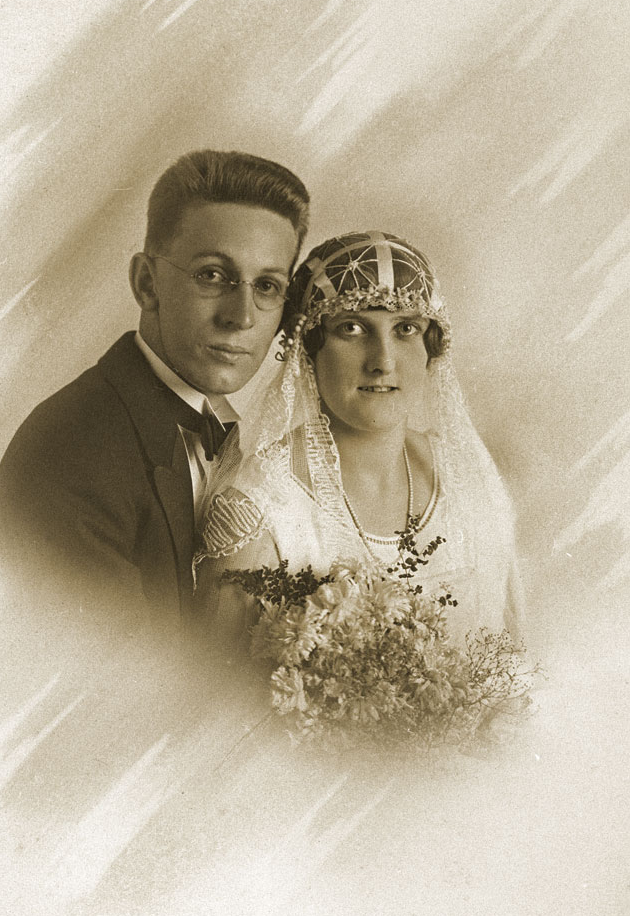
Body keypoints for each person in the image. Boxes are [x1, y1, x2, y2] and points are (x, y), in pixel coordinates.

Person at [0, 149, 309, 629]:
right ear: (146, 283)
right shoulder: (73, 453)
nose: (241, 318)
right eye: (212, 276)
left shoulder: (232, 431)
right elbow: (111, 692)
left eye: (267, 286)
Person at [195, 230, 524, 647]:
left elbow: (510, 656)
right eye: (352, 328)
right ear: (308, 352)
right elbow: (207, 689)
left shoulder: (465, 475)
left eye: (406, 328)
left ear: (431, 348)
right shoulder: (259, 507)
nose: (383, 361)